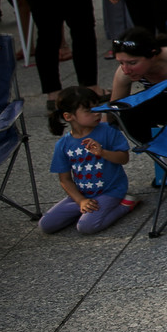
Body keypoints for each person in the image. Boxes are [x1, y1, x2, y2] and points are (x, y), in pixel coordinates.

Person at [39, 86, 134, 235]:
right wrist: (80, 200)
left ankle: (125, 205)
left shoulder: (109, 130)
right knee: (46, 225)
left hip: (110, 192)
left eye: (97, 107)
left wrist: (103, 153)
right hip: (83, 193)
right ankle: (87, 208)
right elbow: (65, 179)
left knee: (86, 227)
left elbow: (124, 159)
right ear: (69, 117)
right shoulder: (63, 144)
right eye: (89, 110)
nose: (97, 113)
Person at [108, 27, 167, 143]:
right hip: (165, 104)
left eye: (132, 62)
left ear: (152, 55)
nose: (126, 70)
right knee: (129, 113)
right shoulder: (124, 72)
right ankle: (157, 147)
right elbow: (113, 109)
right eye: (121, 62)